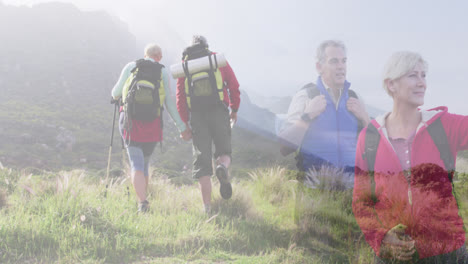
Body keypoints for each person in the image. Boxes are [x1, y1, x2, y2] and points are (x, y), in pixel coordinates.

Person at [352, 51, 468, 263]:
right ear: (391, 84)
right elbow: (361, 201)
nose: (422, 83)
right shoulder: (369, 138)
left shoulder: (444, 125)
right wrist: (382, 238)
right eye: (413, 75)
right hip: (394, 256)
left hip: (448, 253)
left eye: (424, 76)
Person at [111, 43, 191, 213]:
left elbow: (116, 92)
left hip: (130, 123)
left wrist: (117, 95)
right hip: (152, 125)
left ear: (145, 54)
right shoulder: (162, 71)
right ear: (159, 57)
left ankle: (142, 202)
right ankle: (144, 200)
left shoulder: (131, 67)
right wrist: (182, 127)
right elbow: (169, 103)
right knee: (144, 164)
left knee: (136, 164)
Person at [279, 40, 369, 188]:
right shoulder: (306, 96)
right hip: (314, 191)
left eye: (343, 61)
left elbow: (374, 151)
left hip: (351, 193)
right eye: (334, 61)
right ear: (319, 67)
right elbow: (285, 147)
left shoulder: (356, 98)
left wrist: (366, 119)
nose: (341, 67)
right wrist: (307, 116)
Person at [176, 35, 240, 214]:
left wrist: (185, 123)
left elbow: (180, 98)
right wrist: (234, 108)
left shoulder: (186, 67)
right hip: (219, 112)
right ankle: (223, 168)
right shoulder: (216, 60)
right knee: (224, 152)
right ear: (206, 46)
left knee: (202, 161)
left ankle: (207, 209)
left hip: (197, 116)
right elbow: (234, 85)